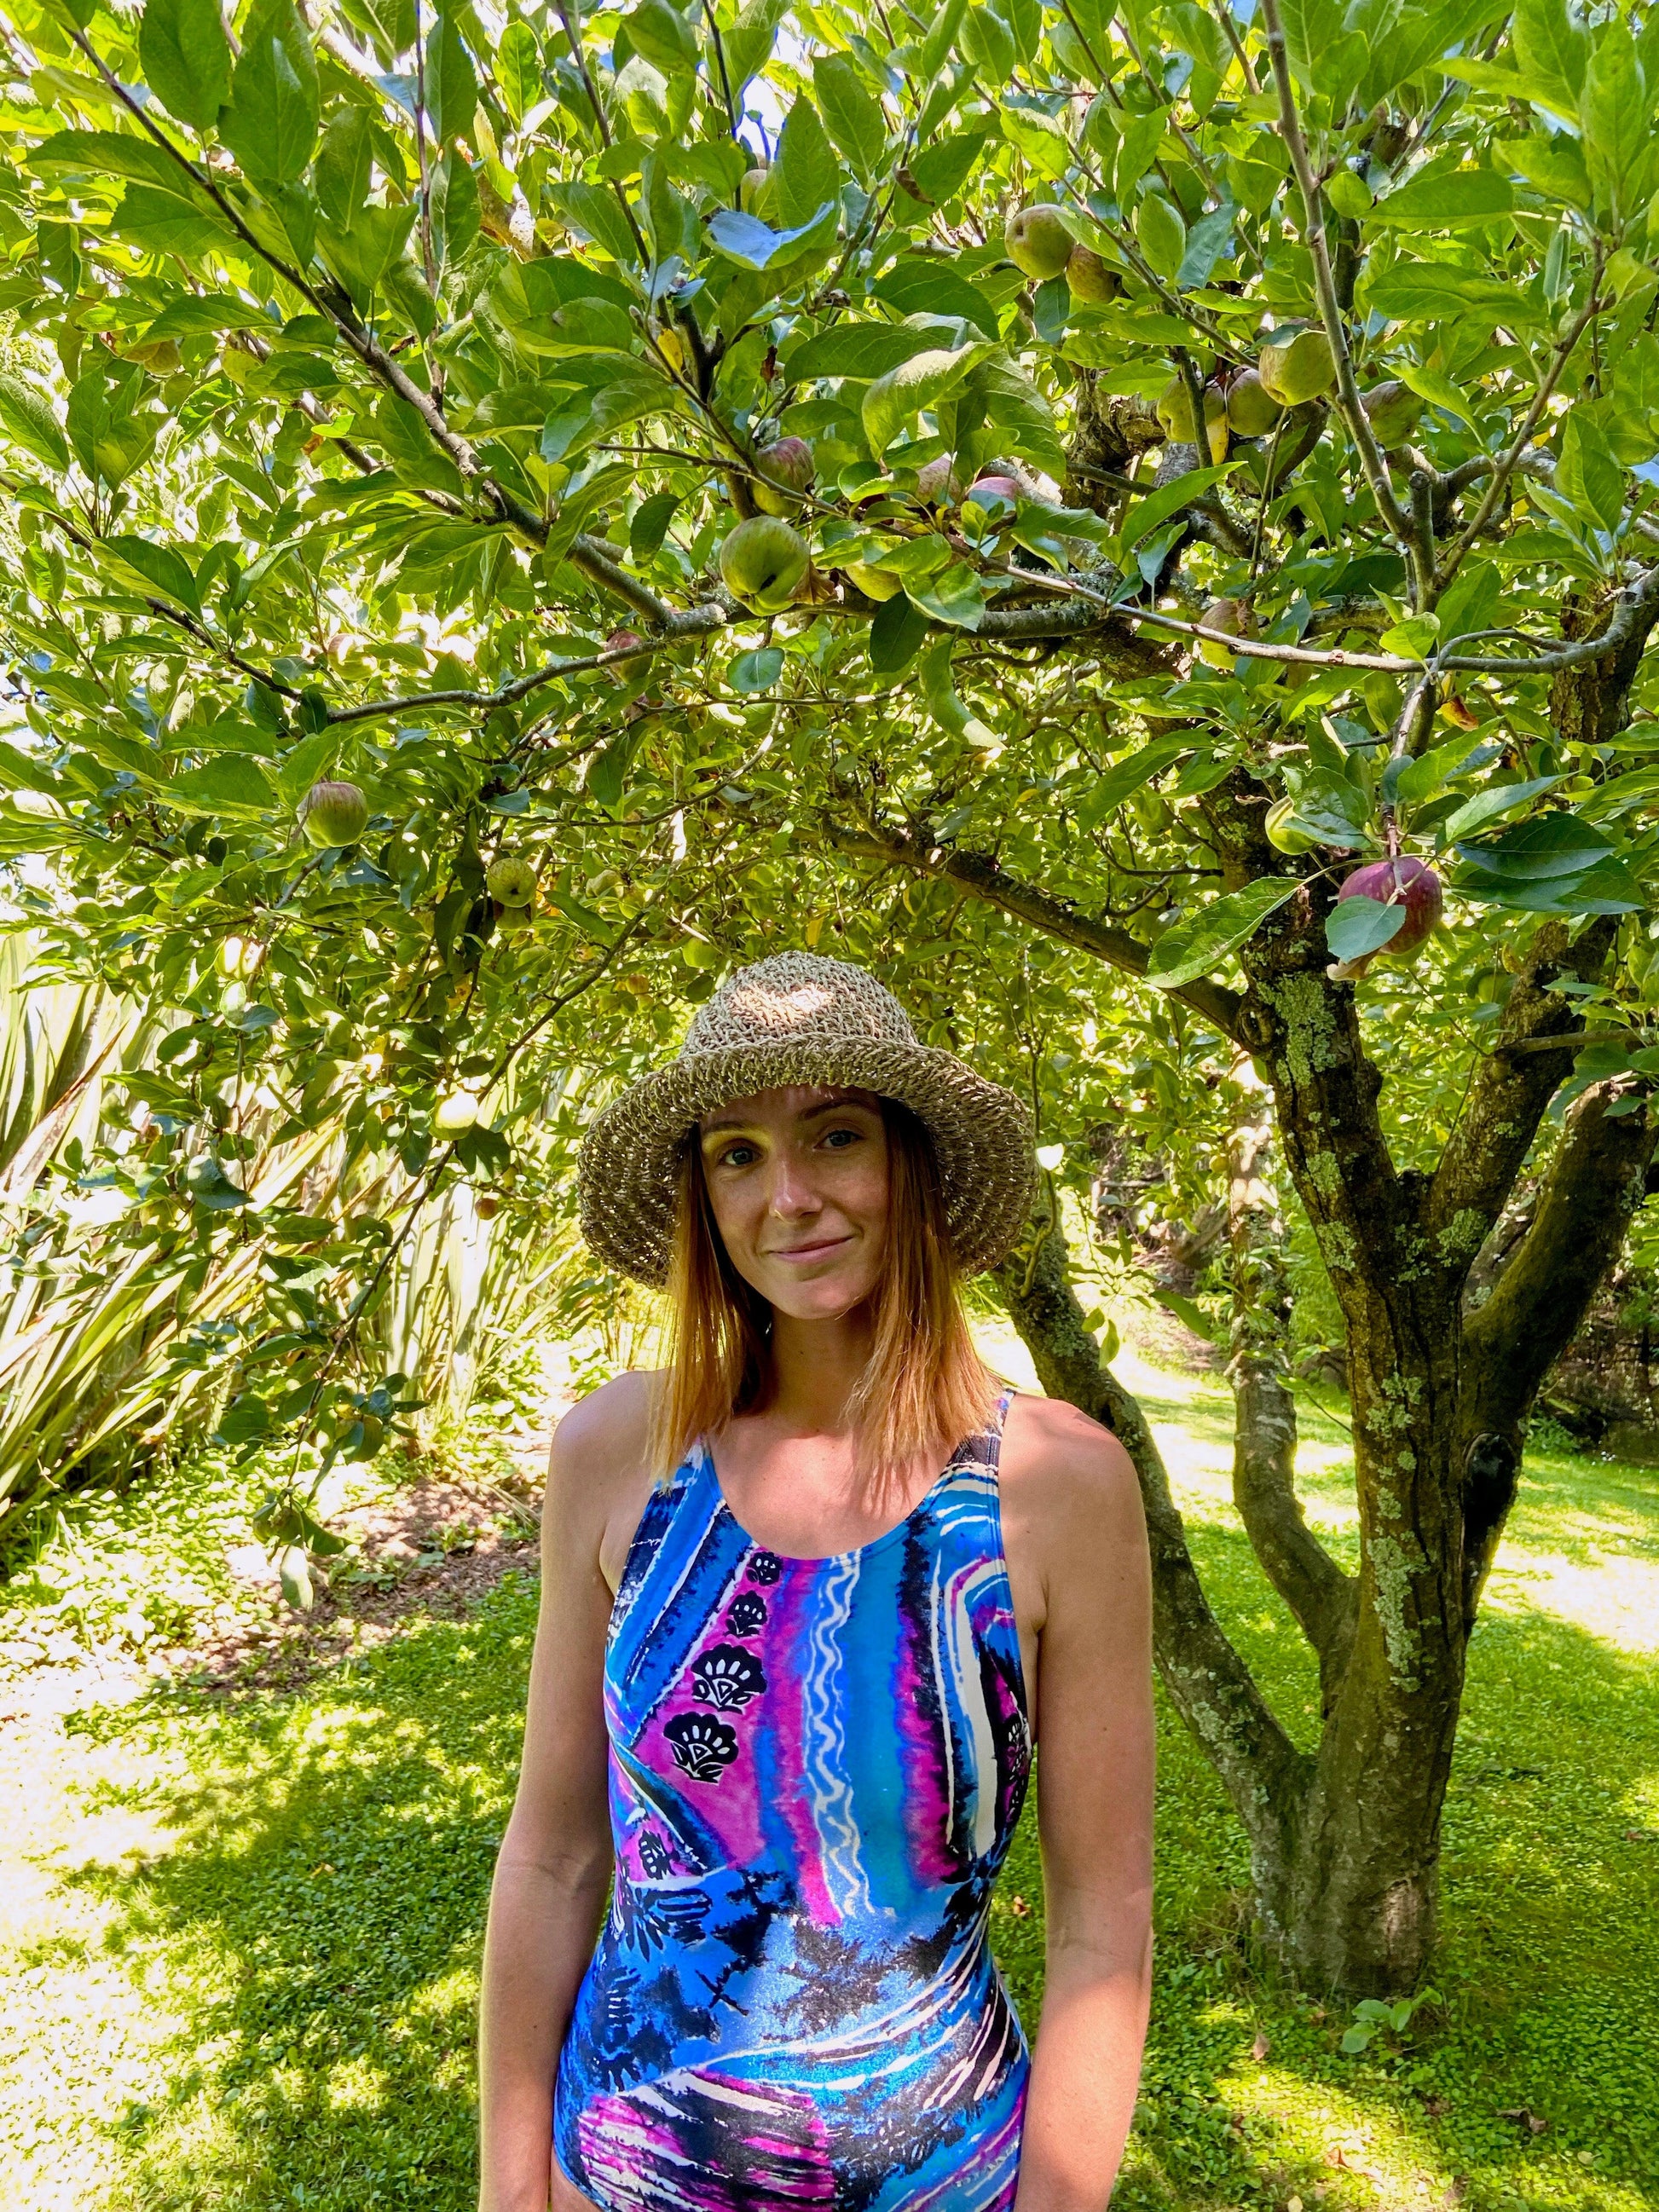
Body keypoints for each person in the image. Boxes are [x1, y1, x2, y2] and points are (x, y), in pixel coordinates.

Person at [477, 952, 1155, 2212]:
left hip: (945, 2181)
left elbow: (1104, 1921)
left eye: (833, 1136)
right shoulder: (621, 1452)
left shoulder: (1053, 1484)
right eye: (736, 1152)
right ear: (701, 1198)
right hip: (616, 2174)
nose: (786, 1197)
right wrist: (510, 2190)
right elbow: (555, 1857)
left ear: (910, 1166)